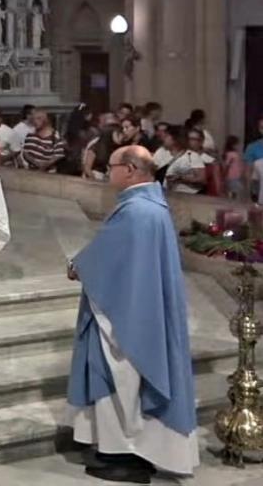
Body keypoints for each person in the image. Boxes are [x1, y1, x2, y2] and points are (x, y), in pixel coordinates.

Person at [66, 145, 199, 484]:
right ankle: (130, 450)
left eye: (110, 166)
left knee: (119, 376)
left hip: (127, 314)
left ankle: (123, 452)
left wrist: (78, 266)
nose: (106, 173)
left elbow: (109, 257)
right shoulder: (151, 206)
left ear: (129, 169)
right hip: (141, 305)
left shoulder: (137, 211)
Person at [154, 126, 207, 194]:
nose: (163, 138)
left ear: (175, 139)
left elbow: (202, 179)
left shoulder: (192, 156)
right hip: (165, 193)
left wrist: (181, 178)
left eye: (167, 136)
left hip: (188, 195)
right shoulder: (161, 152)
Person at [223, 135, 244, 200]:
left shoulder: (235, 153)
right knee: (234, 192)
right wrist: (224, 176)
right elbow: (227, 165)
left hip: (236, 176)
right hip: (231, 176)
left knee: (235, 192)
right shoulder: (230, 154)